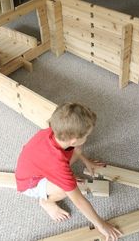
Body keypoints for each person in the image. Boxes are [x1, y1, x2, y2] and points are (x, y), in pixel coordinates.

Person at [15, 102, 122, 241]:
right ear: (73, 140)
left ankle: (57, 184)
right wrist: (100, 225)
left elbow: (76, 149)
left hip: (38, 166)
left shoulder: (53, 132)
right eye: (86, 136)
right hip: (30, 184)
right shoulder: (57, 165)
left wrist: (87, 161)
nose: (87, 138)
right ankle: (46, 202)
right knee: (64, 189)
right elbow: (78, 200)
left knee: (78, 151)